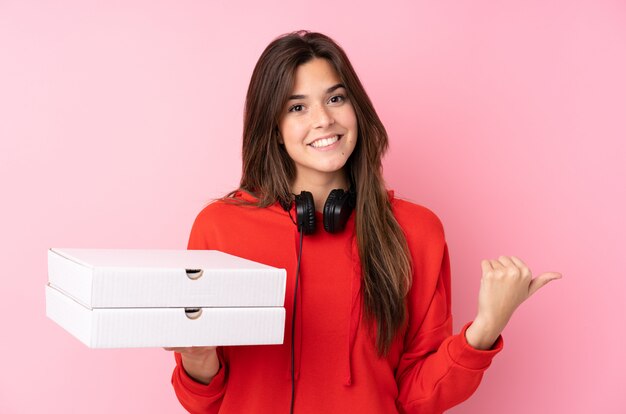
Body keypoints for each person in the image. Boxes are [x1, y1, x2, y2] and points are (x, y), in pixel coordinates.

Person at [164, 30, 561, 414]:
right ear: (274, 128)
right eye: (297, 107)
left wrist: (487, 327)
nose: (323, 120)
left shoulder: (417, 231)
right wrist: (197, 357)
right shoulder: (219, 228)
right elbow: (206, 403)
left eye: (335, 98)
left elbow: (417, 398)